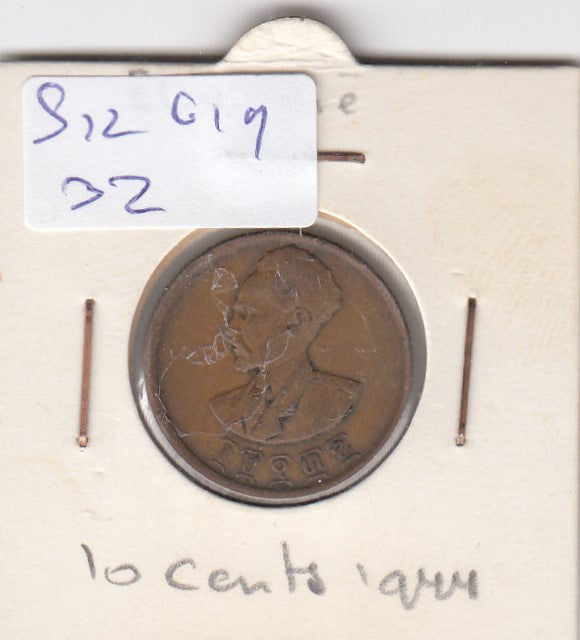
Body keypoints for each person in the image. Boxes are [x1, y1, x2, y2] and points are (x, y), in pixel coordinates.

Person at [209, 245, 361, 443]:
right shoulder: (223, 407)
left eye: (247, 314)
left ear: (296, 321)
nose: (231, 328)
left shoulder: (340, 400)